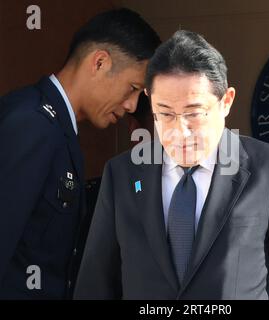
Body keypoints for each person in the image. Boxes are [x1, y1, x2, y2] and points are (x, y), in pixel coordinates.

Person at [74, 30, 269, 299]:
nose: (179, 131)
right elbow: (94, 286)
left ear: (226, 102)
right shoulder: (121, 175)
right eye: (165, 114)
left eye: (193, 113)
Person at [0, 8, 160, 299]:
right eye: (133, 88)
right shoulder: (32, 123)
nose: (130, 106)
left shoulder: (59, 129)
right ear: (99, 62)